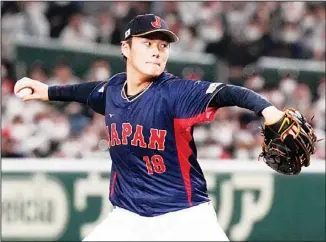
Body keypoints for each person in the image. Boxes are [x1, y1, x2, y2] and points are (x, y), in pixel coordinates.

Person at [14, 14, 285, 241]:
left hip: (184, 218)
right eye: (147, 43)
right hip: (128, 218)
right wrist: (49, 91)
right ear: (125, 48)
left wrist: (268, 110)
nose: (157, 50)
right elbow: (85, 91)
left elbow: (228, 92)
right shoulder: (113, 89)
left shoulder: (176, 92)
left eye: (163, 46)